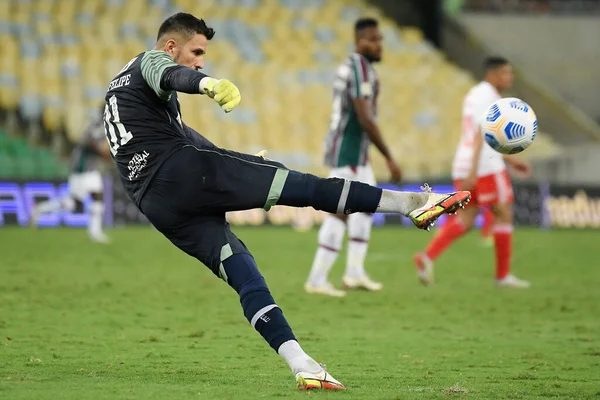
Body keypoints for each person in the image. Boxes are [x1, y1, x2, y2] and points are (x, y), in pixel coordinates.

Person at [103, 13, 470, 391]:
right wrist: (208, 83)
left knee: (242, 271)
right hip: (179, 173)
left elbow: (190, 138)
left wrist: (245, 162)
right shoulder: (148, 61)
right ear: (170, 46)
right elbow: (171, 74)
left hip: (158, 206)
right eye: (196, 52)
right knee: (303, 187)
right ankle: (411, 204)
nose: (200, 60)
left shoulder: (122, 90)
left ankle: (302, 363)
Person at [413, 56, 531, 288]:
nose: (510, 78)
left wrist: (508, 160)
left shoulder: (475, 94)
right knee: (503, 214)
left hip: (466, 162)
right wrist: (474, 171)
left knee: (466, 219)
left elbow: (481, 135)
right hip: (484, 167)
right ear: (493, 74)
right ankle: (503, 276)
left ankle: (427, 257)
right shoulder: (489, 98)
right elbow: (480, 133)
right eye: (506, 73)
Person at [305, 18, 401, 297]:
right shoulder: (359, 67)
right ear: (359, 42)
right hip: (346, 151)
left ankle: (354, 272)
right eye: (372, 39)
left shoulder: (362, 68)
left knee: (368, 207)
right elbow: (365, 118)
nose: (378, 44)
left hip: (358, 154)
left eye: (380, 39)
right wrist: (390, 158)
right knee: (340, 212)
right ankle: (317, 279)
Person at [31, 112, 111, 243]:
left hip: (88, 169)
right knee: (92, 197)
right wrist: (104, 153)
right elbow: (90, 142)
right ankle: (95, 232)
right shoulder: (97, 125)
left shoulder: (102, 125)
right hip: (82, 170)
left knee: (74, 203)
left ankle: (41, 209)